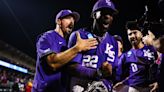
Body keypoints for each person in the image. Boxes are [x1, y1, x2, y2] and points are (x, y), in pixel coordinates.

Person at [32, 9, 98, 92]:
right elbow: (52, 63)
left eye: (73, 20)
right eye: (68, 18)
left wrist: (96, 73)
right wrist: (77, 48)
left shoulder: (68, 45)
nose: (72, 22)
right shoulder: (46, 37)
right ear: (59, 21)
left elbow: (72, 68)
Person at [66, 0, 119, 91]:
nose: (107, 16)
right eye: (103, 12)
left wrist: (106, 85)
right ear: (94, 15)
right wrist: (97, 73)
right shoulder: (79, 35)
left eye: (111, 14)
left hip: (101, 85)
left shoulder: (113, 42)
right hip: (80, 84)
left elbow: (113, 74)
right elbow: (71, 67)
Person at [115, 21, 158, 92]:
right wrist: (122, 83)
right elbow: (118, 75)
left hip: (152, 87)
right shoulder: (125, 56)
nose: (132, 36)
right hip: (134, 88)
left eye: (135, 32)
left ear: (141, 34)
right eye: (130, 34)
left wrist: (159, 82)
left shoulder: (152, 49)